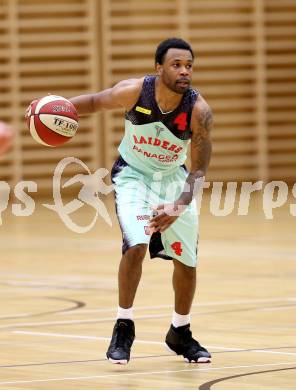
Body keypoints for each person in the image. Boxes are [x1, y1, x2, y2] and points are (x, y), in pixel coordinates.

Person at [29, 37, 213, 364]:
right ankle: (123, 325)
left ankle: (179, 332)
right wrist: (48, 109)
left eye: (189, 65)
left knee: (187, 262)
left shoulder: (199, 112)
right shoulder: (134, 92)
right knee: (136, 246)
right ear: (159, 68)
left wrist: (179, 205)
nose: (184, 71)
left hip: (173, 181)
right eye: (176, 65)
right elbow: (93, 102)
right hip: (133, 177)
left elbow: (198, 171)